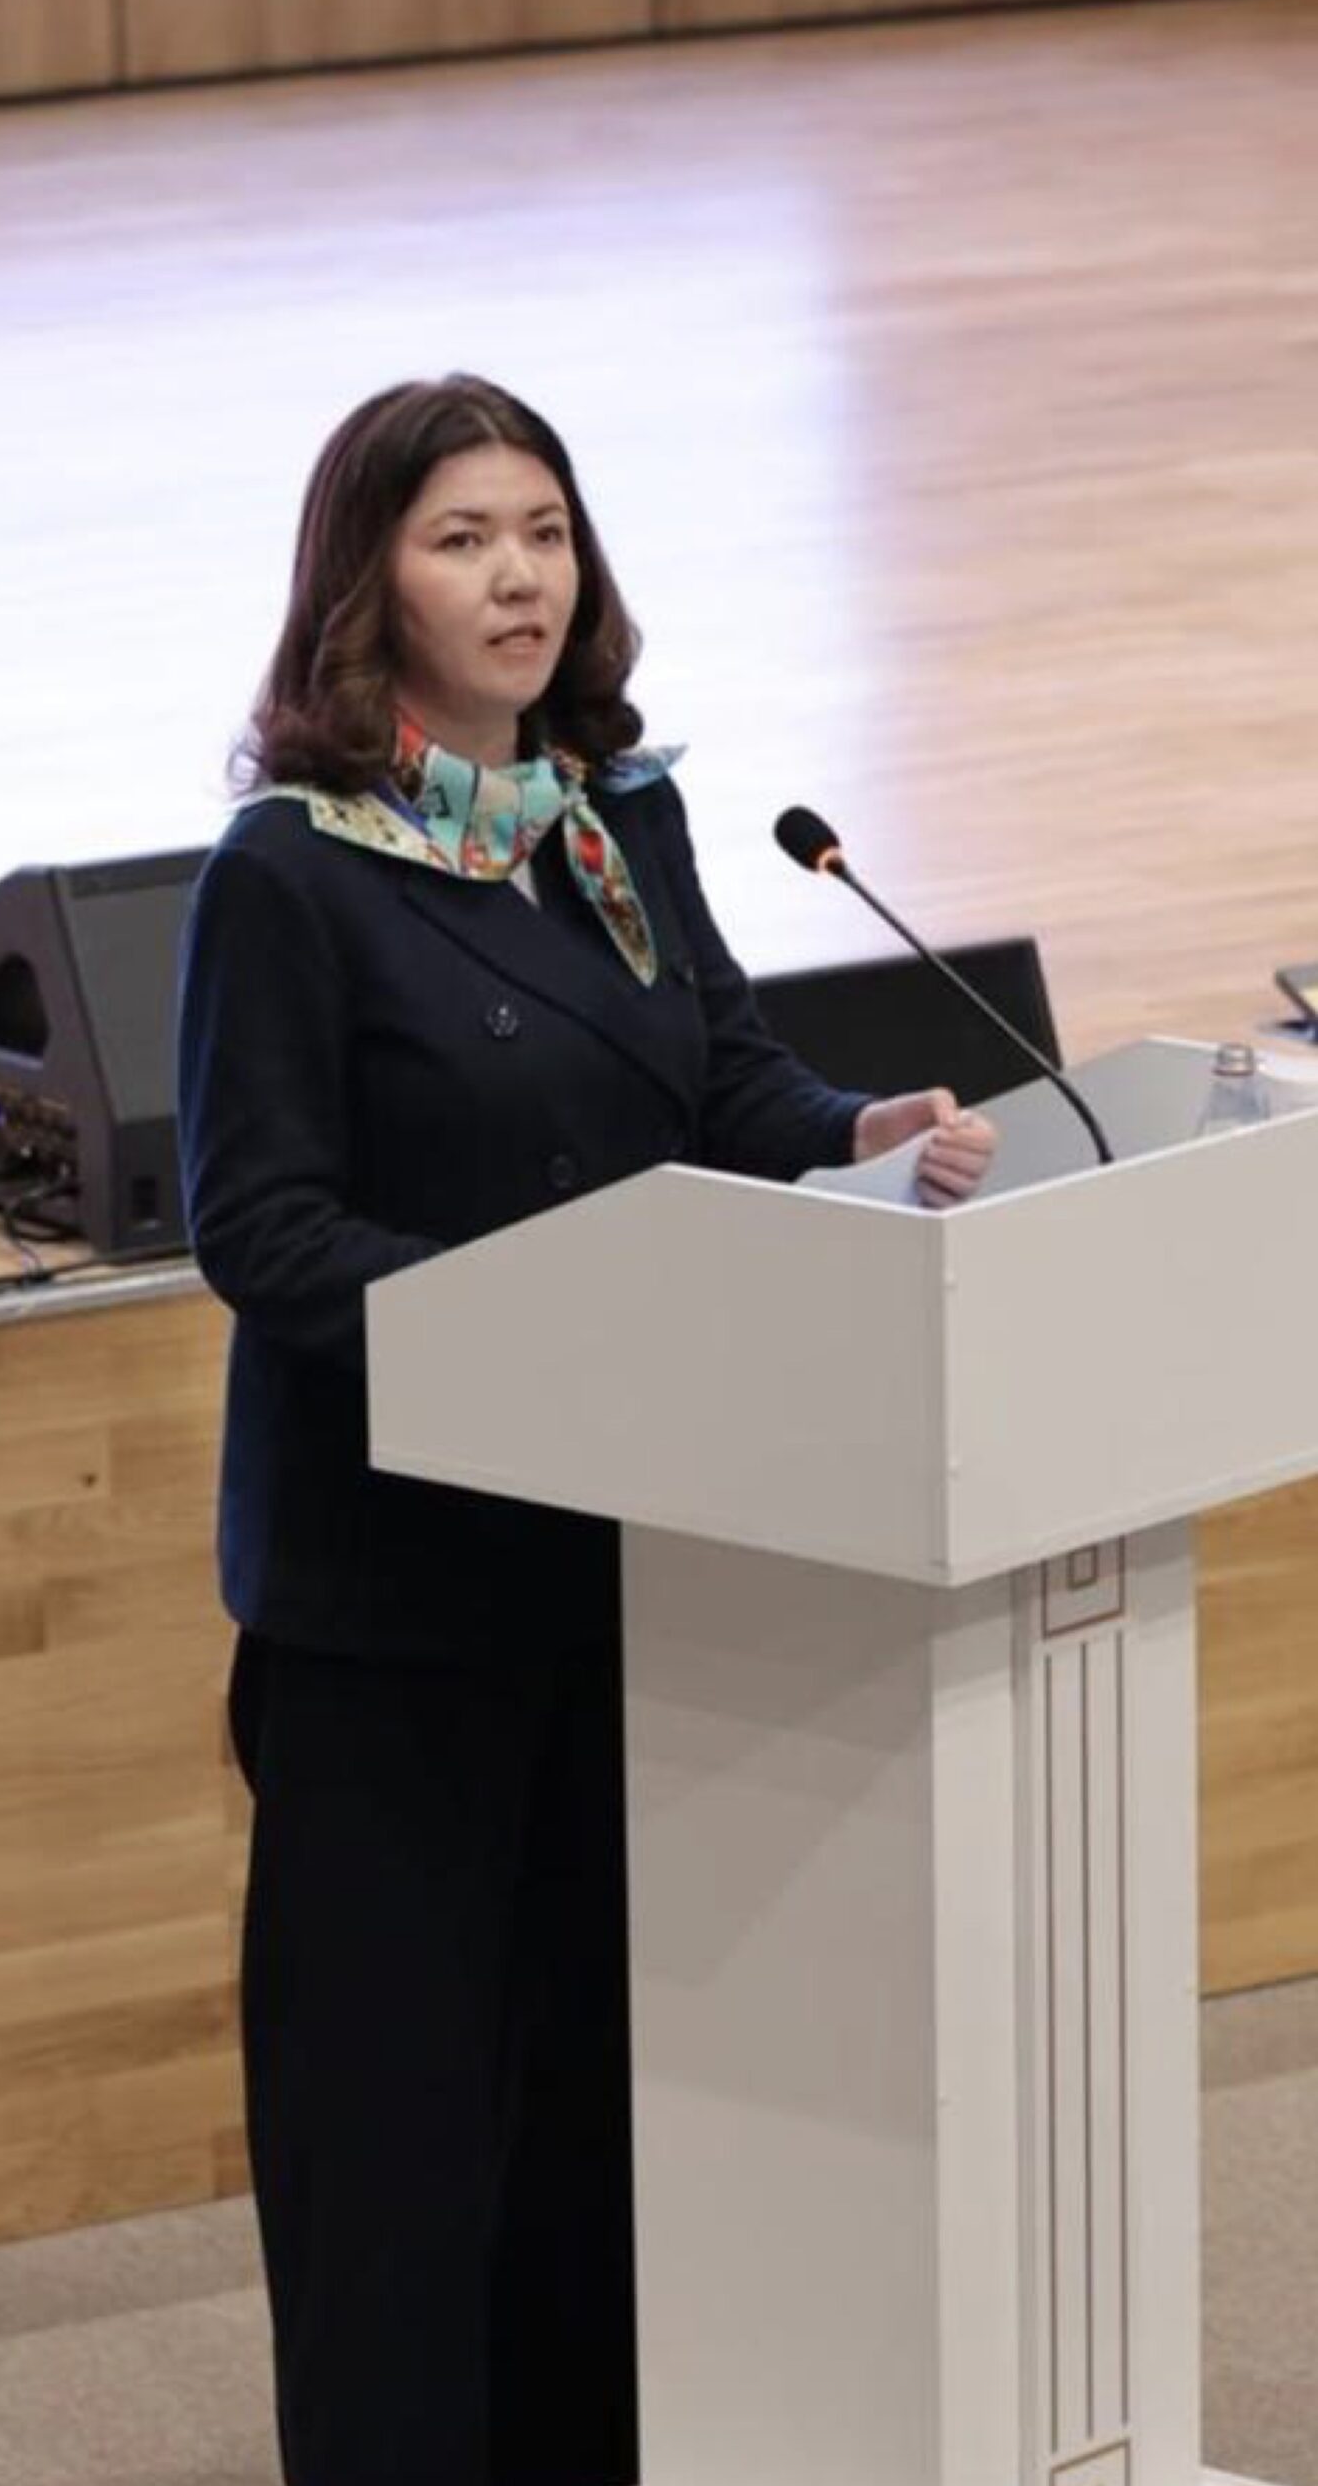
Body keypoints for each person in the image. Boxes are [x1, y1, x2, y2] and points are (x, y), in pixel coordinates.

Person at [177, 373, 996, 2486]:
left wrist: (859, 1130)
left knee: (590, 2118)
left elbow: (718, 1074)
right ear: (366, 580)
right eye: (461, 538)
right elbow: (260, 1227)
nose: (516, 575)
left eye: (541, 529)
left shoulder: (608, 815)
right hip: (392, 1601)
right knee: (395, 2145)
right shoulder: (290, 875)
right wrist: (520, 1334)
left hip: (623, 1557)